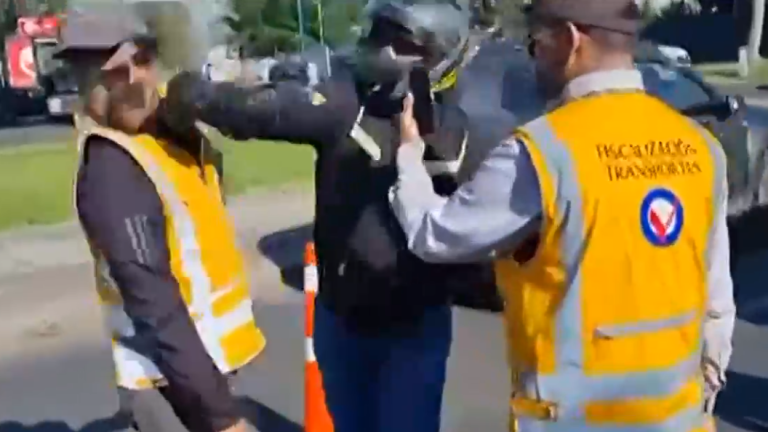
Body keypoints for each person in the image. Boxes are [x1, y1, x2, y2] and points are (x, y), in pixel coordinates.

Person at [389, 0, 736, 431]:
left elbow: (434, 234)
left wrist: (408, 155)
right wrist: (707, 385)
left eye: (535, 42)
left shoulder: (541, 154)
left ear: (570, 41)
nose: (533, 57)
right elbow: (717, 301)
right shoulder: (700, 146)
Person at [159, 2, 494, 431]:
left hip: (414, 329)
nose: (378, 47)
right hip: (343, 320)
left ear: (436, 57)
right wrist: (197, 95)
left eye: (397, 40)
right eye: (378, 32)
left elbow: (471, 204)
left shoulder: (454, 130)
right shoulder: (346, 103)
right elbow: (262, 112)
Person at [55, 10, 265, 432]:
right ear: (83, 80)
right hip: (168, 381)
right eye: (113, 71)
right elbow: (154, 304)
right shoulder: (112, 167)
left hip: (201, 372)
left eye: (143, 59)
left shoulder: (165, 134)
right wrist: (222, 419)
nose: (134, 79)